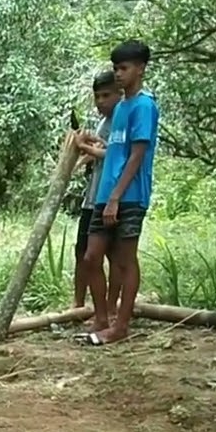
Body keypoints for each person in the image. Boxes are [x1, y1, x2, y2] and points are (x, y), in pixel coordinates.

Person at [76, 41, 160, 346]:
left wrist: (115, 197)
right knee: (91, 256)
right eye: (116, 68)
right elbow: (115, 150)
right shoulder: (121, 108)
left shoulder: (144, 106)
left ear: (140, 68)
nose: (119, 74)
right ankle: (101, 318)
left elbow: (136, 156)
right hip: (105, 193)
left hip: (130, 195)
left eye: (124, 68)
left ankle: (121, 325)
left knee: (125, 260)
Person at [73, 71, 124, 316]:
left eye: (106, 95)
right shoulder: (104, 123)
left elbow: (116, 155)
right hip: (93, 196)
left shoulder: (121, 120)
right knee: (82, 252)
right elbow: (101, 149)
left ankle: (110, 306)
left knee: (112, 254)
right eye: (97, 96)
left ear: (119, 94)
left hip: (111, 197)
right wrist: (85, 151)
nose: (100, 101)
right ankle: (80, 305)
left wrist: (84, 147)